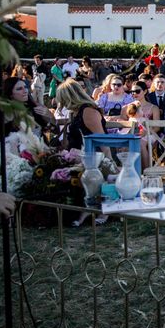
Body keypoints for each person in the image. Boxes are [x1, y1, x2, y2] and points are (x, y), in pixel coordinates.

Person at [56, 79, 109, 226]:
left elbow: (103, 141)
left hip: (93, 157)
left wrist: (109, 164)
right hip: (77, 156)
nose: (62, 104)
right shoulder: (77, 112)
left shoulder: (88, 111)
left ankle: (91, 210)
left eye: (63, 100)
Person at [122, 81, 160, 169]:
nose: (134, 94)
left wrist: (146, 132)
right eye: (132, 92)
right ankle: (129, 172)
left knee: (141, 143)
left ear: (145, 91)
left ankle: (147, 172)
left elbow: (157, 127)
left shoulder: (153, 108)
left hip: (149, 134)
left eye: (137, 91)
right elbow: (123, 123)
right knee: (126, 144)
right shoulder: (126, 108)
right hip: (132, 133)